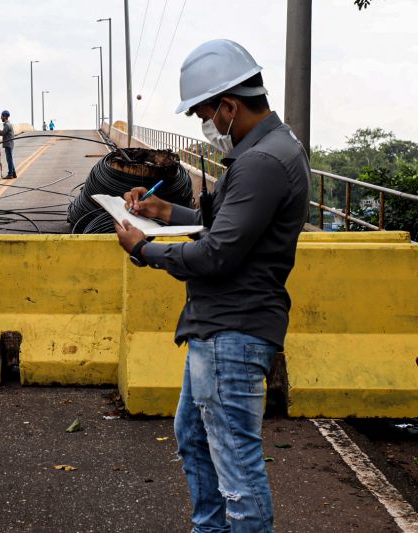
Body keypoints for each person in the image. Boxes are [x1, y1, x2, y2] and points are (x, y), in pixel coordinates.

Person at [114, 39, 309, 532]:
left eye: (204, 113)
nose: (205, 126)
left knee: (236, 469)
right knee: (196, 439)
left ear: (229, 105)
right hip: (223, 326)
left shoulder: (262, 162)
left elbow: (217, 253)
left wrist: (143, 248)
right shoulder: (267, 151)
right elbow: (225, 225)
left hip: (233, 331)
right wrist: (164, 213)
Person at [0, 110, 16, 178]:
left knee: (9, 160)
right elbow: (4, 132)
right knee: (10, 159)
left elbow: (2, 133)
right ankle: (13, 173)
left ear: (5, 117)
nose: (1, 118)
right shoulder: (8, 124)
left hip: (8, 144)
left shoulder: (7, 125)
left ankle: (10, 174)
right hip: (9, 144)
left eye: (2, 116)